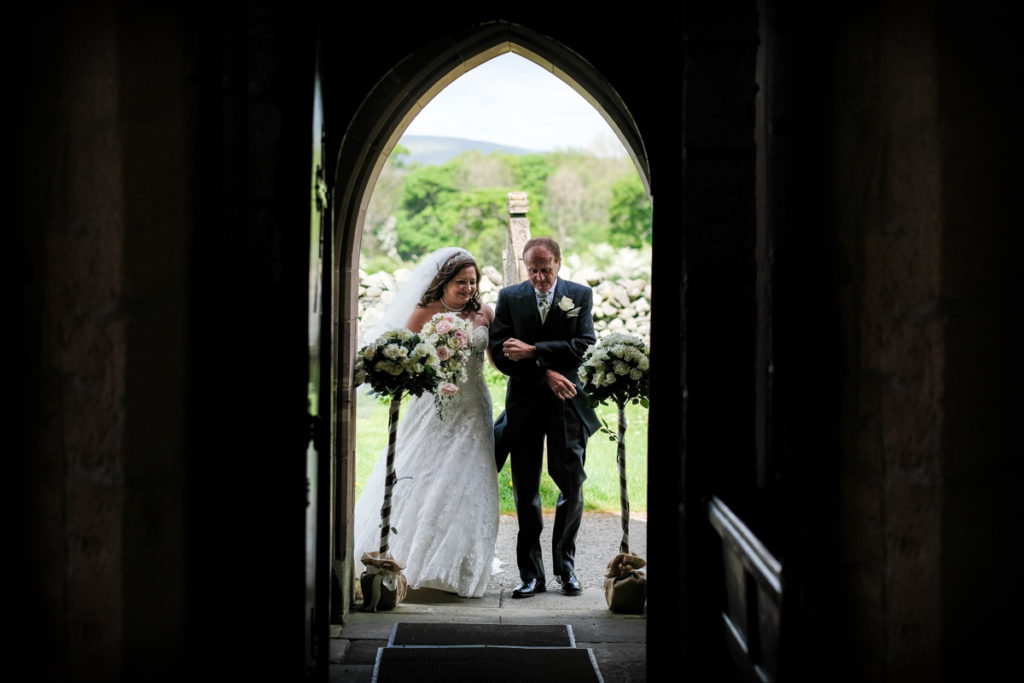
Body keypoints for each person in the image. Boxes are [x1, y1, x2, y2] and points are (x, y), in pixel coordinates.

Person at [353, 247, 499, 597]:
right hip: (431, 406)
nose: (468, 288)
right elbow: (407, 356)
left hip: (473, 408)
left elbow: (497, 360)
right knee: (423, 474)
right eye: (461, 282)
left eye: (472, 281)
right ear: (443, 282)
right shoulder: (423, 312)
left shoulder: (483, 312)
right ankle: (406, 556)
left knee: (469, 481)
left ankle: (460, 565)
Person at [489, 237, 600, 597]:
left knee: (571, 484)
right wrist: (545, 373)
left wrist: (535, 351)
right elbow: (502, 353)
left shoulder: (579, 295)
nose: (539, 277)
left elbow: (582, 343)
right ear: (525, 266)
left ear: (559, 264)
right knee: (525, 489)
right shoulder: (509, 297)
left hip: (566, 403)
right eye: (533, 270)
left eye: (545, 269)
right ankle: (531, 574)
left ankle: (565, 569)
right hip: (524, 403)